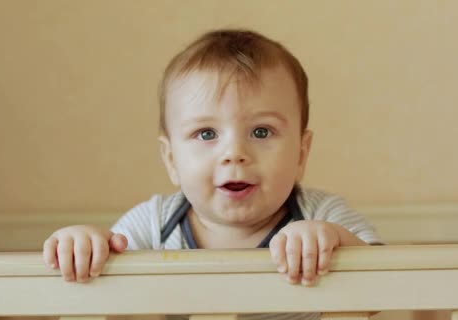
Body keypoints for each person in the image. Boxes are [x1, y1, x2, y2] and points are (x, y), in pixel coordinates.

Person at [43, 29, 381, 319]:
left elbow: (387, 278)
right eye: (206, 134)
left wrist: (335, 241)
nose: (235, 154)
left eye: (261, 132)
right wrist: (84, 244)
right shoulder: (156, 222)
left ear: (301, 154)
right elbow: (107, 271)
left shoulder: (319, 214)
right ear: (172, 158)